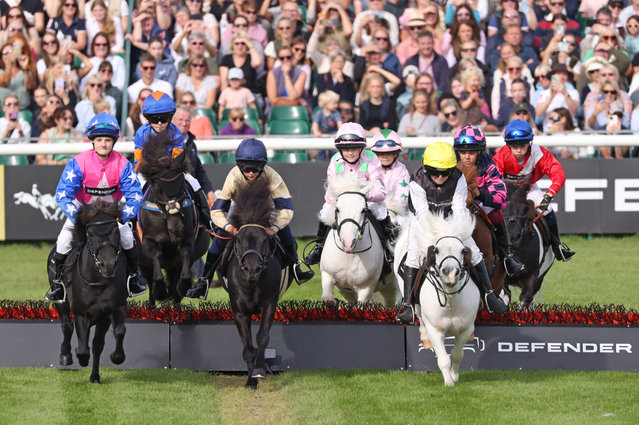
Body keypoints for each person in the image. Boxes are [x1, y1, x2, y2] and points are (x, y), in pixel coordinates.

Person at [396, 142, 508, 325]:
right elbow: (423, 214)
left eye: (445, 172)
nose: (440, 176)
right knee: (413, 255)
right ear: (426, 168)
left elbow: (459, 209)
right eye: (435, 172)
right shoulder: (416, 181)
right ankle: (408, 305)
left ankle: (489, 294)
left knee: (475, 252)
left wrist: (455, 232)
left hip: (451, 219)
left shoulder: (459, 178)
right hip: (424, 221)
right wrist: (439, 235)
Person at [191, 138, 315, 295]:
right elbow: (217, 210)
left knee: (286, 232)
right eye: (246, 169)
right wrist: (227, 226)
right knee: (219, 238)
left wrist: (275, 227)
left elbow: (286, 209)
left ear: (263, 166)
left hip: (265, 213)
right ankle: (205, 281)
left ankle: (296, 268)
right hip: (239, 213)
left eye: (255, 169)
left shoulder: (272, 176)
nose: (250, 173)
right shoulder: (234, 175)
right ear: (239, 166)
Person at [45, 113, 146, 303]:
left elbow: (135, 195)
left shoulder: (123, 164)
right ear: (92, 140)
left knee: (127, 238)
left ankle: (134, 279)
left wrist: (123, 214)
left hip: (111, 213)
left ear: (113, 142)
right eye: (99, 139)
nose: (103, 144)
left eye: (108, 140)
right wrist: (78, 216)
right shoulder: (78, 162)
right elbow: (63, 194)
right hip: (83, 212)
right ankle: (58, 285)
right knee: (64, 240)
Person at [303, 122, 394, 266]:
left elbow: (380, 191)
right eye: (345, 149)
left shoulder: (371, 158)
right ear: (339, 149)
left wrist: (362, 197)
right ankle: (319, 249)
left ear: (362, 148)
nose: (350, 152)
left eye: (355, 148)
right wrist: (344, 200)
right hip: (342, 202)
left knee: (381, 211)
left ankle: (388, 248)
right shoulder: (334, 161)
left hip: (367, 200)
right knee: (325, 211)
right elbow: (330, 192)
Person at [493, 119, 575, 262]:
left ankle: (558, 247)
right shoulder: (501, 155)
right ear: (508, 145)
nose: (518, 150)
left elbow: (558, 174)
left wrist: (550, 194)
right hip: (506, 190)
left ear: (530, 142)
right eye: (514, 145)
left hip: (529, 188)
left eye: (523, 145)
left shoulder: (539, 153)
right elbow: (495, 179)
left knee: (548, 209)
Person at [133, 90, 213, 232]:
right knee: (135, 186)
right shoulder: (141, 133)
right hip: (149, 169)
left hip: (171, 169)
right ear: (147, 118)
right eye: (154, 119)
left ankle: (207, 219)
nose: (159, 123)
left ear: (170, 118)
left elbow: (177, 158)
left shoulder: (175, 132)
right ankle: (130, 222)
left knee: (194, 182)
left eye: (163, 119)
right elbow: (139, 159)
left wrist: (166, 169)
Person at [453, 125, 524, 276]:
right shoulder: (450, 165)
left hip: (480, 204)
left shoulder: (490, 167)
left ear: (480, 151)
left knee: (496, 214)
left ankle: (507, 256)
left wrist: (480, 194)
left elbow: (502, 199)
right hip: (456, 204)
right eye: (462, 152)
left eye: (471, 152)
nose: (466, 157)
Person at [370, 129, 409, 226]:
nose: (384, 157)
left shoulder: (402, 169)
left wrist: (390, 210)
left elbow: (403, 196)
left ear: (396, 154)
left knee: (402, 222)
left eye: (389, 153)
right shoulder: (369, 168)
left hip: (395, 211)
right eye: (381, 153)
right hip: (372, 208)